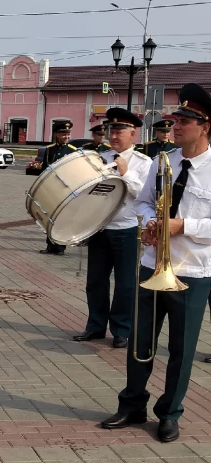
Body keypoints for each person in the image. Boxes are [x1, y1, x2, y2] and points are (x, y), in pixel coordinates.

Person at [101, 83, 211, 443]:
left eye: (184, 121)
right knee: (140, 341)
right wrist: (149, 221)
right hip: (152, 265)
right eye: (175, 120)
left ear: (205, 125)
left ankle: (170, 413)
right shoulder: (166, 161)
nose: (176, 126)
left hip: (192, 271)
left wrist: (183, 226)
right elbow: (144, 202)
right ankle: (132, 404)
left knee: (181, 348)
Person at [73, 108, 151, 348]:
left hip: (126, 230)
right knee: (95, 281)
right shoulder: (100, 158)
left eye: (120, 132)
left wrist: (126, 174)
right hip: (99, 227)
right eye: (111, 131)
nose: (114, 136)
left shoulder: (143, 162)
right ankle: (95, 326)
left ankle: (121, 330)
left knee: (126, 284)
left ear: (133, 135)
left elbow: (142, 195)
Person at [40, 120, 77, 255]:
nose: (66, 137)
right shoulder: (49, 149)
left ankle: (60, 247)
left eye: (68, 134)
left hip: (65, 191)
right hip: (51, 190)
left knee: (62, 219)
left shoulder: (73, 151)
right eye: (63, 134)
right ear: (57, 135)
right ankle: (50, 246)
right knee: (50, 219)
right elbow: (44, 170)